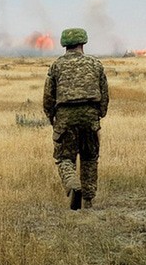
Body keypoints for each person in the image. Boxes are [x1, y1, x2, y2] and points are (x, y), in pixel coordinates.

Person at [43, 28, 109, 210]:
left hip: (65, 117)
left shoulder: (56, 66)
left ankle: (73, 184)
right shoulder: (96, 64)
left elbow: (49, 96)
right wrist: (99, 116)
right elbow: (104, 94)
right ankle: (88, 201)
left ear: (64, 45)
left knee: (64, 157)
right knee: (89, 158)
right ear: (83, 43)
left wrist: (52, 118)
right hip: (90, 117)